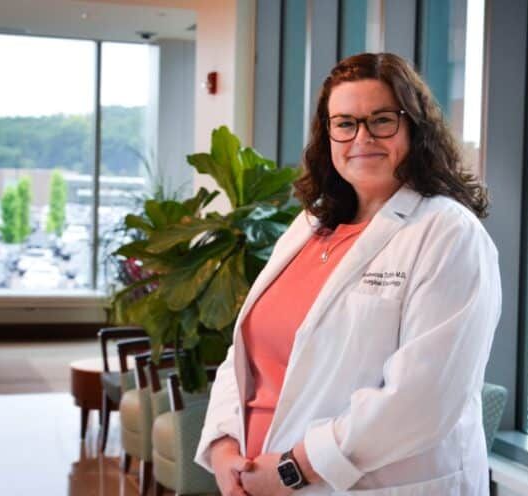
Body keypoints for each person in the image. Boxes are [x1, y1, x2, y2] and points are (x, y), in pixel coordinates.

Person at [195, 52, 502, 495]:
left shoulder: (447, 232)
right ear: (328, 134)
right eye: (344, 123)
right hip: (257, 477)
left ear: (414, 128)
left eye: (381, 120)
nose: (362, 137)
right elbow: (246, 355)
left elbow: (424, 398)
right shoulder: (309, 226)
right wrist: (225, 448)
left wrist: (294, 468)